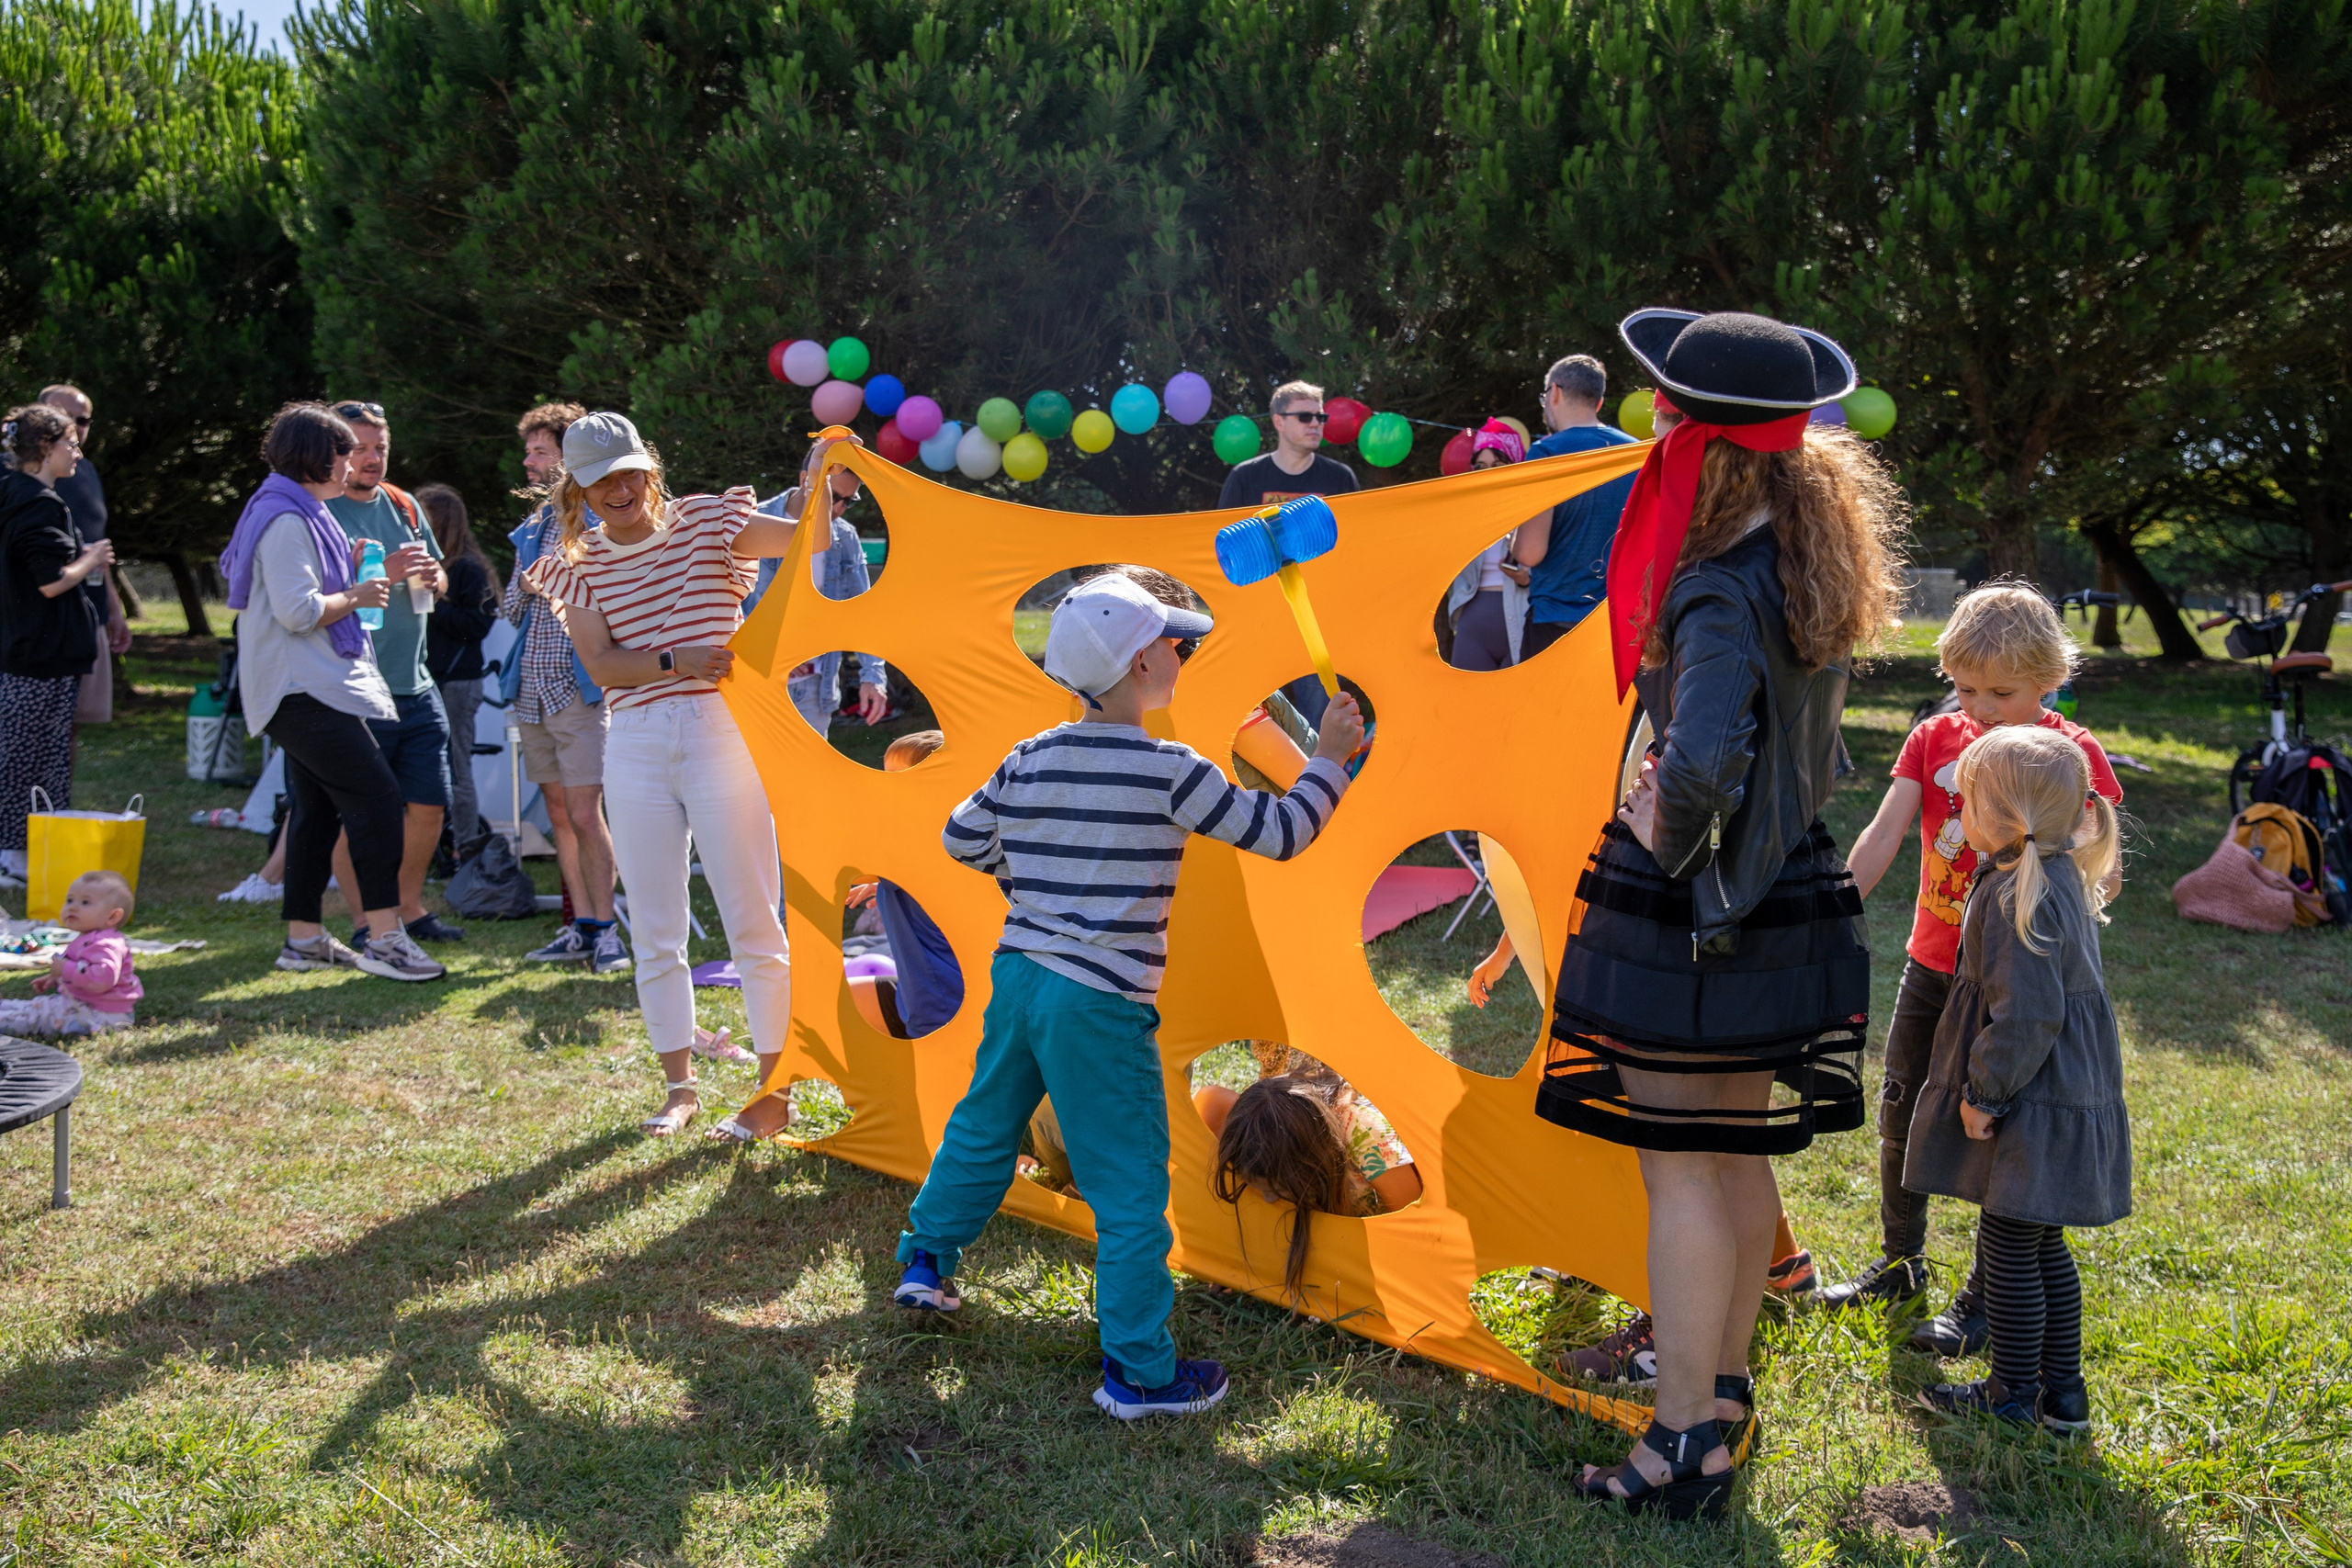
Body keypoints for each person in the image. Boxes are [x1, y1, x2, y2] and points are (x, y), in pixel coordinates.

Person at [1532, 310, 1899, 1519]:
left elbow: (1695, 764)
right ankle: (1723, 1396)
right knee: (1733, 1164)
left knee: (1683, 1172)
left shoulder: (1715, 584)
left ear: (1708, 447)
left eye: (1668, 420)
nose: (1654, 436)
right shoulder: (1794, 555)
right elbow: (1804, 745)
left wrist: (1654, 832)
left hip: (1701, 901)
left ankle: (1681, 1433)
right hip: (1776, 883)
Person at [890, 571, 1364, 1421]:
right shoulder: (1170, 770)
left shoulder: (1030, 754)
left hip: (1023, 976)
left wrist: (1030, 884)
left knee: (985, 1124)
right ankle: (1141, 1373)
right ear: (1145, 662)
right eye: (1176, 644)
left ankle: (926, 1261)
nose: (1182, 653)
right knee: (1131, 1184)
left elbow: (960, 836)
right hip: (1099, 1001)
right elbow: (1283, 832)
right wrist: (1327, 758)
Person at [1817, 582, 2125, 1349]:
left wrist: (2070, 897)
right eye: (1964, 688)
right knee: (1901, 1106)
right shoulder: (1934, 740)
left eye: (2002, 691)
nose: (1980, 707)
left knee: (2010, 1135)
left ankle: (1989, 1294)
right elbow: (1885, 832)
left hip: (2015, 980)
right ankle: (1900, 1260)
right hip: (1933, 965)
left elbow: (2101, 857)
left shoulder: (2069, 753)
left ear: (2049, 679)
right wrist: (1831, 906)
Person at [521, 412, 801, 1138]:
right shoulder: (573, 564)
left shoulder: (710, 522)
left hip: (720, 729)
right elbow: (604, 665)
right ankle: (680, 1088)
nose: (618, 489)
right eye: (598, 479)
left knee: (752, 918)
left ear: (650, 468)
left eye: (627, 472)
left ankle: (774, 1091)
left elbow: (808, 538)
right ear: (576, 491)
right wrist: (678, 658)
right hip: (636, 740)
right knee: (655, 926)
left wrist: (823, 483)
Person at [1905, 724, 2128, 1434]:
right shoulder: (2055, 873)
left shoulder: (2013, 897)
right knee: (2041, 1244)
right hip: (2065, 1093)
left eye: (1964, 800)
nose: (1957, 813)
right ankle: (2063, 1397)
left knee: (2006, 1245)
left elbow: (2027, 1016)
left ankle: (2010, 1395)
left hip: (2033, 1097)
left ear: (1999, 818)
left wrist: (1983, 1094)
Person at [220, 400, 445, 982]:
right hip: (301, 688)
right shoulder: (289, 519)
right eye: (345, 453)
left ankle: (302, 939)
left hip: (307, 685)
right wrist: (360, 593)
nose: (353, 467)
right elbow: (298, 612)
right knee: (375, 800)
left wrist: (347, 577)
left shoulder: (299, 511)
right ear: (316, 457)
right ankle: (385, 936)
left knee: (316, 808)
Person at [322, 402, 461, 944]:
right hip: (356, 684)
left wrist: (433, 575)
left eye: (379, 447)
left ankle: (406, 906)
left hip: (417, 681)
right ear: (335, 452)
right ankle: (365, 920)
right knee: (360, 809)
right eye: (359, 448)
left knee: (429, 806)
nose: (372, 458)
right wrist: (385, 572)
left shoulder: (403, 504)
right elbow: (314, 599)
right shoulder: (321, 511)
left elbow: (439, 580)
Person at [503, 401, 625, 971]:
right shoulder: (532, 529)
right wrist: (529, 584)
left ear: (570, 461)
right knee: (556, 816)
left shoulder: (603, 521)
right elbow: (507, 608)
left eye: (539, 451)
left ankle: (609, 933)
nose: (528, 461)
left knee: (584, 814)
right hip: (530, 690)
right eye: (528, 451)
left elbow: (622, 607)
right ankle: (582, 925)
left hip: (582, 690)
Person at [1202, 1055, 1423, 1303]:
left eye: (1278, 1189)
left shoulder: (1370, 1141)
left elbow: (1418, 1232)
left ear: (1309, 1167)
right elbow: (1208, 1100)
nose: (1267, 1199)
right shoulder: (1250, 1125)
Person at [0, 404, 108, 882]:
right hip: (38, 655)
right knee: (32, 757)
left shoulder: (13, 493)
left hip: (27, 650)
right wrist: (90, 559)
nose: (78, 454)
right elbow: (51, 581)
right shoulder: (40, 503)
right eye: (71, 443)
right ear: (45, 448)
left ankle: (24, 852)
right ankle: (17, 856)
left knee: (30, 754)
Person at [1219, 381, 1361, 724]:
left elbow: (1355, 548)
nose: (1316, 424)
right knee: (1257, 719)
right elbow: (1223, 554)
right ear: (1279, 422)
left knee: (1322, 719)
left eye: (1320, 416)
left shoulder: (1340, 478)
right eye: (1305, 416)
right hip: (1260, 620)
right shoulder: (1245, 477)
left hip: (1319, 621)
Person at [749, 439, 889, 737]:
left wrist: (873, 677)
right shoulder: (753, 522)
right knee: (752, 783)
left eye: (848, 500)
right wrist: (771, 648)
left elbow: (861, 612)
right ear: (806, 480)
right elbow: (727, 609)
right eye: (834, 495)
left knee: (806, 783)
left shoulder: (844, 537)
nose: (838, 508)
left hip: (816, 689)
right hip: (756, 686)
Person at [1514, 355, 1639, 657]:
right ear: (1598, 402)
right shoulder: (1637, 454)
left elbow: (1530, 553)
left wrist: (1514, 542)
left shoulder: (1547, 453)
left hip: (1555, 619)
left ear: (1554, 393)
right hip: (1620, 624)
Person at [844, 730, 965, 1040]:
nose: (885, 785)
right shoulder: (933, 844)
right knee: (834, 1004)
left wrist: (883, 879)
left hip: (939, 1005)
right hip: (915, 994)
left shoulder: (917, 846)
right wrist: (881, 885)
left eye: (897, 776)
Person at [33, 386, 131, 724]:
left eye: (83, 419)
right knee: (40, 730)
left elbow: (95, 548)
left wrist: (114, 611)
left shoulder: (83, 471)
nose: (75, 425)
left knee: (71, 726)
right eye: (64, 416)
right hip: (40, 619)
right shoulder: (21, 476)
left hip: (87, 613)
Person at [417, 483, 503, 852]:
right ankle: (434, 847)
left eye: (424, 517)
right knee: (430, 770)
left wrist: (434, 601)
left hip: (458, 683)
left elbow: (479, 626)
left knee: (457, 769)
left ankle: (465, 848)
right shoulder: (432, 565)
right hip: (430, 681)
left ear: (443, 522)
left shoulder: (467, 568)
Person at [0, 870, 141, 1034]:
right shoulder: (87, 938)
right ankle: (6, 1007)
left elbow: (103, 978)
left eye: (85, 902)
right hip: (81, 1003)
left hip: (99, 1015)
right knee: (40, 1006)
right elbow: (81, 966)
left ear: (112, 916)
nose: (73, 907)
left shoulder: (106, 945)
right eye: (70, 900)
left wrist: (65, 969)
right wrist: (55, 977)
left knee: (38, 1016)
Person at [1442, 419, 1533, 671]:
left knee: (1518, 708)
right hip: (1472, 626)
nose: (1488, 472)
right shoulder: (1465, 514)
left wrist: (1528, 578)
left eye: (1497, 465)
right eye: (1480, 466)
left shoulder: (1534, 509)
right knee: (1470, 707)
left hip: (1522, 618)